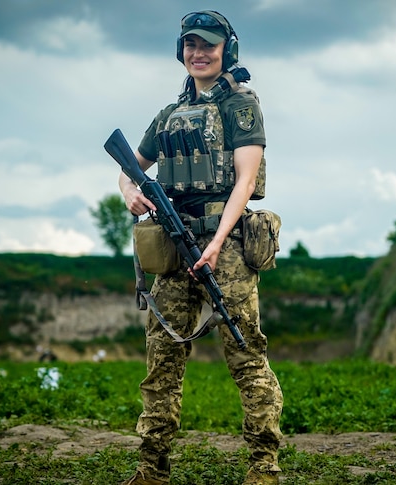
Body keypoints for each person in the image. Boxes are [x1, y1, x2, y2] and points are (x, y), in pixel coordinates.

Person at [117, 10, 284, 485]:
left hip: (224, 246)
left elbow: (246, 180)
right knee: (162, 357)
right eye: (190, 45)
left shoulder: (240, 106)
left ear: (226, 50)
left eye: (208, 45)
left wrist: (214, 243)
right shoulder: (169, 115)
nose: (198, 53)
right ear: (180, 50)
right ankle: (151, 468)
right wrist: (129, 191)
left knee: (244, 350)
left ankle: (263, 466)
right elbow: (131, 166)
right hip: (174, 245)